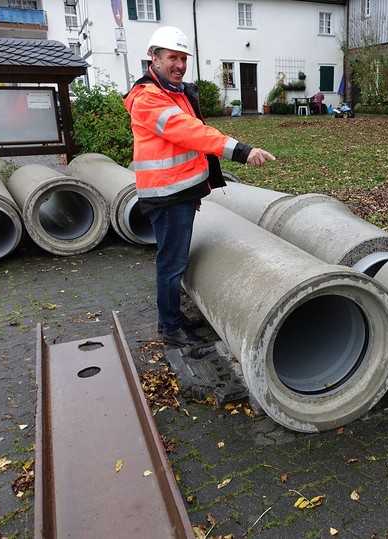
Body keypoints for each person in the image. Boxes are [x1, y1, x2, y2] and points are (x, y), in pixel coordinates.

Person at [124, 26, 275, 347]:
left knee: (175, 259)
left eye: (183, 58)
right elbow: (191, 132)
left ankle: (174, 318)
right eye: (172, 58)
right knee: (172, 262)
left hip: (181, 191)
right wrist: (242, 151)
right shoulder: (149, 98)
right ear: (154, 58)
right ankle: (170, 328)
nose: (179, 65)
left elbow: (196, 131)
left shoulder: (173, 92)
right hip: (167, 196)